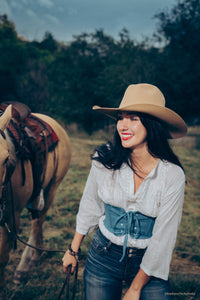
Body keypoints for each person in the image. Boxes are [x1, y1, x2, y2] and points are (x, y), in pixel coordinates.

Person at [62, 83, 187, 300]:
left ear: (152, 125)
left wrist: (136, 289)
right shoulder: (105, 159)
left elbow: (163, 239)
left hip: (149, 264)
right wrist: (73, 250)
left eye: (133, 119)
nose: (123, 126)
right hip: (102, 256)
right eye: (121, 118)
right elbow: (90, 205)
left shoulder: (172, 175)